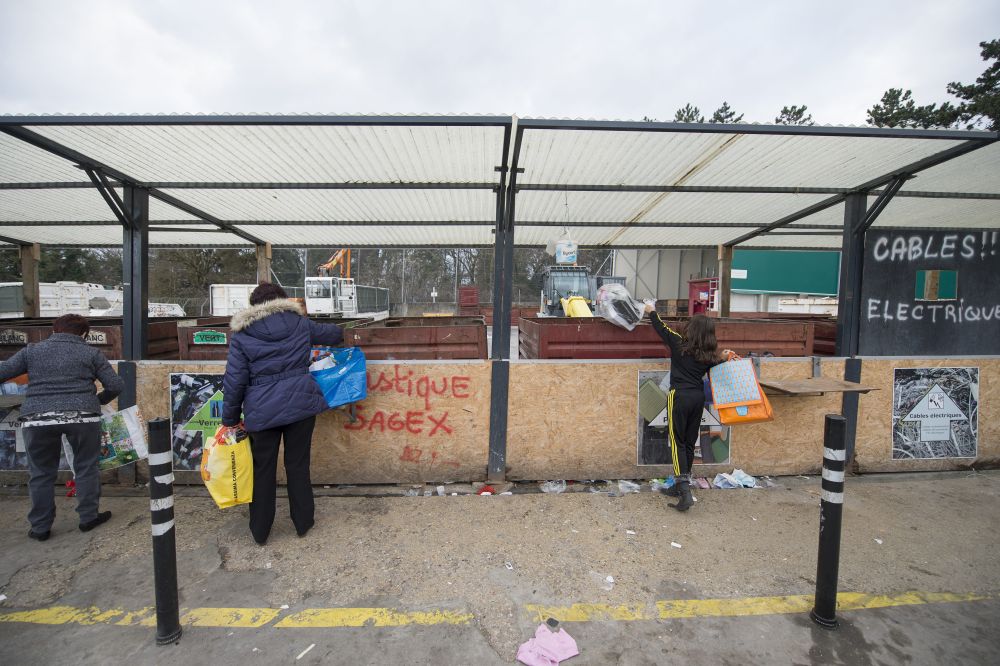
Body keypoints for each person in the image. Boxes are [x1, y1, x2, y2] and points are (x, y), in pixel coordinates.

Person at [220, 283, 344, 545]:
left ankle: (260, 530)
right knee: (298, 465)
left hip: (262, 412)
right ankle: (303, 523)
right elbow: (332, 334)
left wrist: (230, 419)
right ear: (282, 300)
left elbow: (234, 380)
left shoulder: (242, 334)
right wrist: (343, 331)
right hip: (301, 405)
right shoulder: (299, 324)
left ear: (255, 306)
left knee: (262, 470)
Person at [0, 314, 123, 540]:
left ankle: (40, 528)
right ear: (84, 334)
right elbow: (115, 384)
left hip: (38, 419)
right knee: (86, 467)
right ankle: (88, 518)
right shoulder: (91, 353)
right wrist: (98, 401)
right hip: (83, 418)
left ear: (54, 330)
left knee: (41, 473)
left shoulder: (32, 351)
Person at [645, 305, 733, 512]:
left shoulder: (679, 343)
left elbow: (661, 327)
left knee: (677, 443)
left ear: (691, 330)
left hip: (679, 397)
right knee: (689, 443)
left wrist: (651, 311)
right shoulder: (710, 356)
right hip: (697, 398)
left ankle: (684, 491)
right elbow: (720, 366)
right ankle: (679, 487)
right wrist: (726, 356)